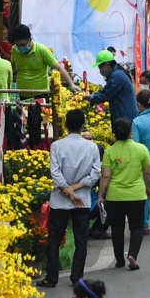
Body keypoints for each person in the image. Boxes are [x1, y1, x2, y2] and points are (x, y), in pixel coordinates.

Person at [44, 109, 101, 287]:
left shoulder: (57, 146)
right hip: (82, 200)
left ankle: (51, 277)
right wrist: (76, 190)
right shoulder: (91, 147)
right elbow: (95, 173)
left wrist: (68, 190)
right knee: (81, 240)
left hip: (60, 200)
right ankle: (77, 277)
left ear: (66, 125)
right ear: (82, 125)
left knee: (54, 239)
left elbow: (55, 172)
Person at [98, 116, 150, 270]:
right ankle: (133, 254)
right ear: (131, 132)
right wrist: (148, 189)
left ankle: (119, 261)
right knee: (136, 227)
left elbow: (105, 175)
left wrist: (101, 194)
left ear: (114, 133)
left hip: (115, 196)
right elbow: (148, 173)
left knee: (117, 229)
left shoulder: (110, 152)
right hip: (137, 195)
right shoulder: (141, 149)